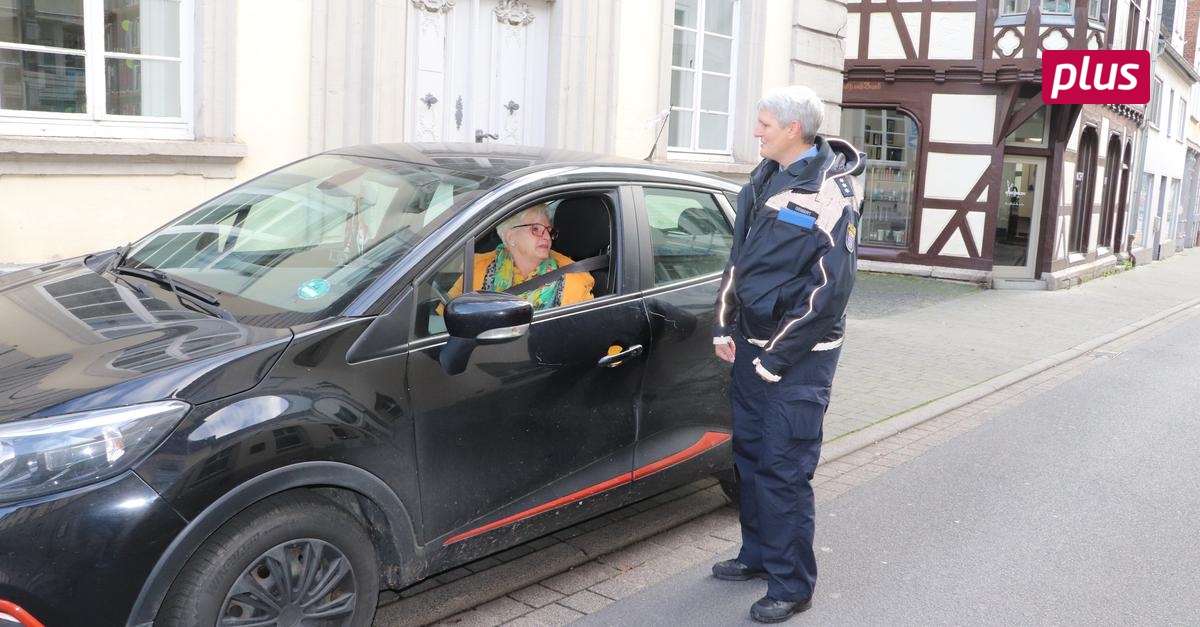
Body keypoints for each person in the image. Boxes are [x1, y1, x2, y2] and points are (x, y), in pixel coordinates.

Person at [710, 85, 864, 623]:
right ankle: (757, 555)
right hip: (752, 347)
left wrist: (775, 358)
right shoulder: (763, 178)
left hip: (798, 359)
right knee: (750, 458)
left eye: (764, 123)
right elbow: (740, 262)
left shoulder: (831, 194)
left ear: (794, 129)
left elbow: (829, 294)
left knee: (783, 468)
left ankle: (793, 584)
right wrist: (723, 322)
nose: (756, 131)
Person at [449, 203, 594, 309]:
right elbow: (446, 320)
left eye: (548, 231)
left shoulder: (574, 278)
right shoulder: (476, 269)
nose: (547, 238)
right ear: (511, 237)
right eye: (536, 229)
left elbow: (585, 334)